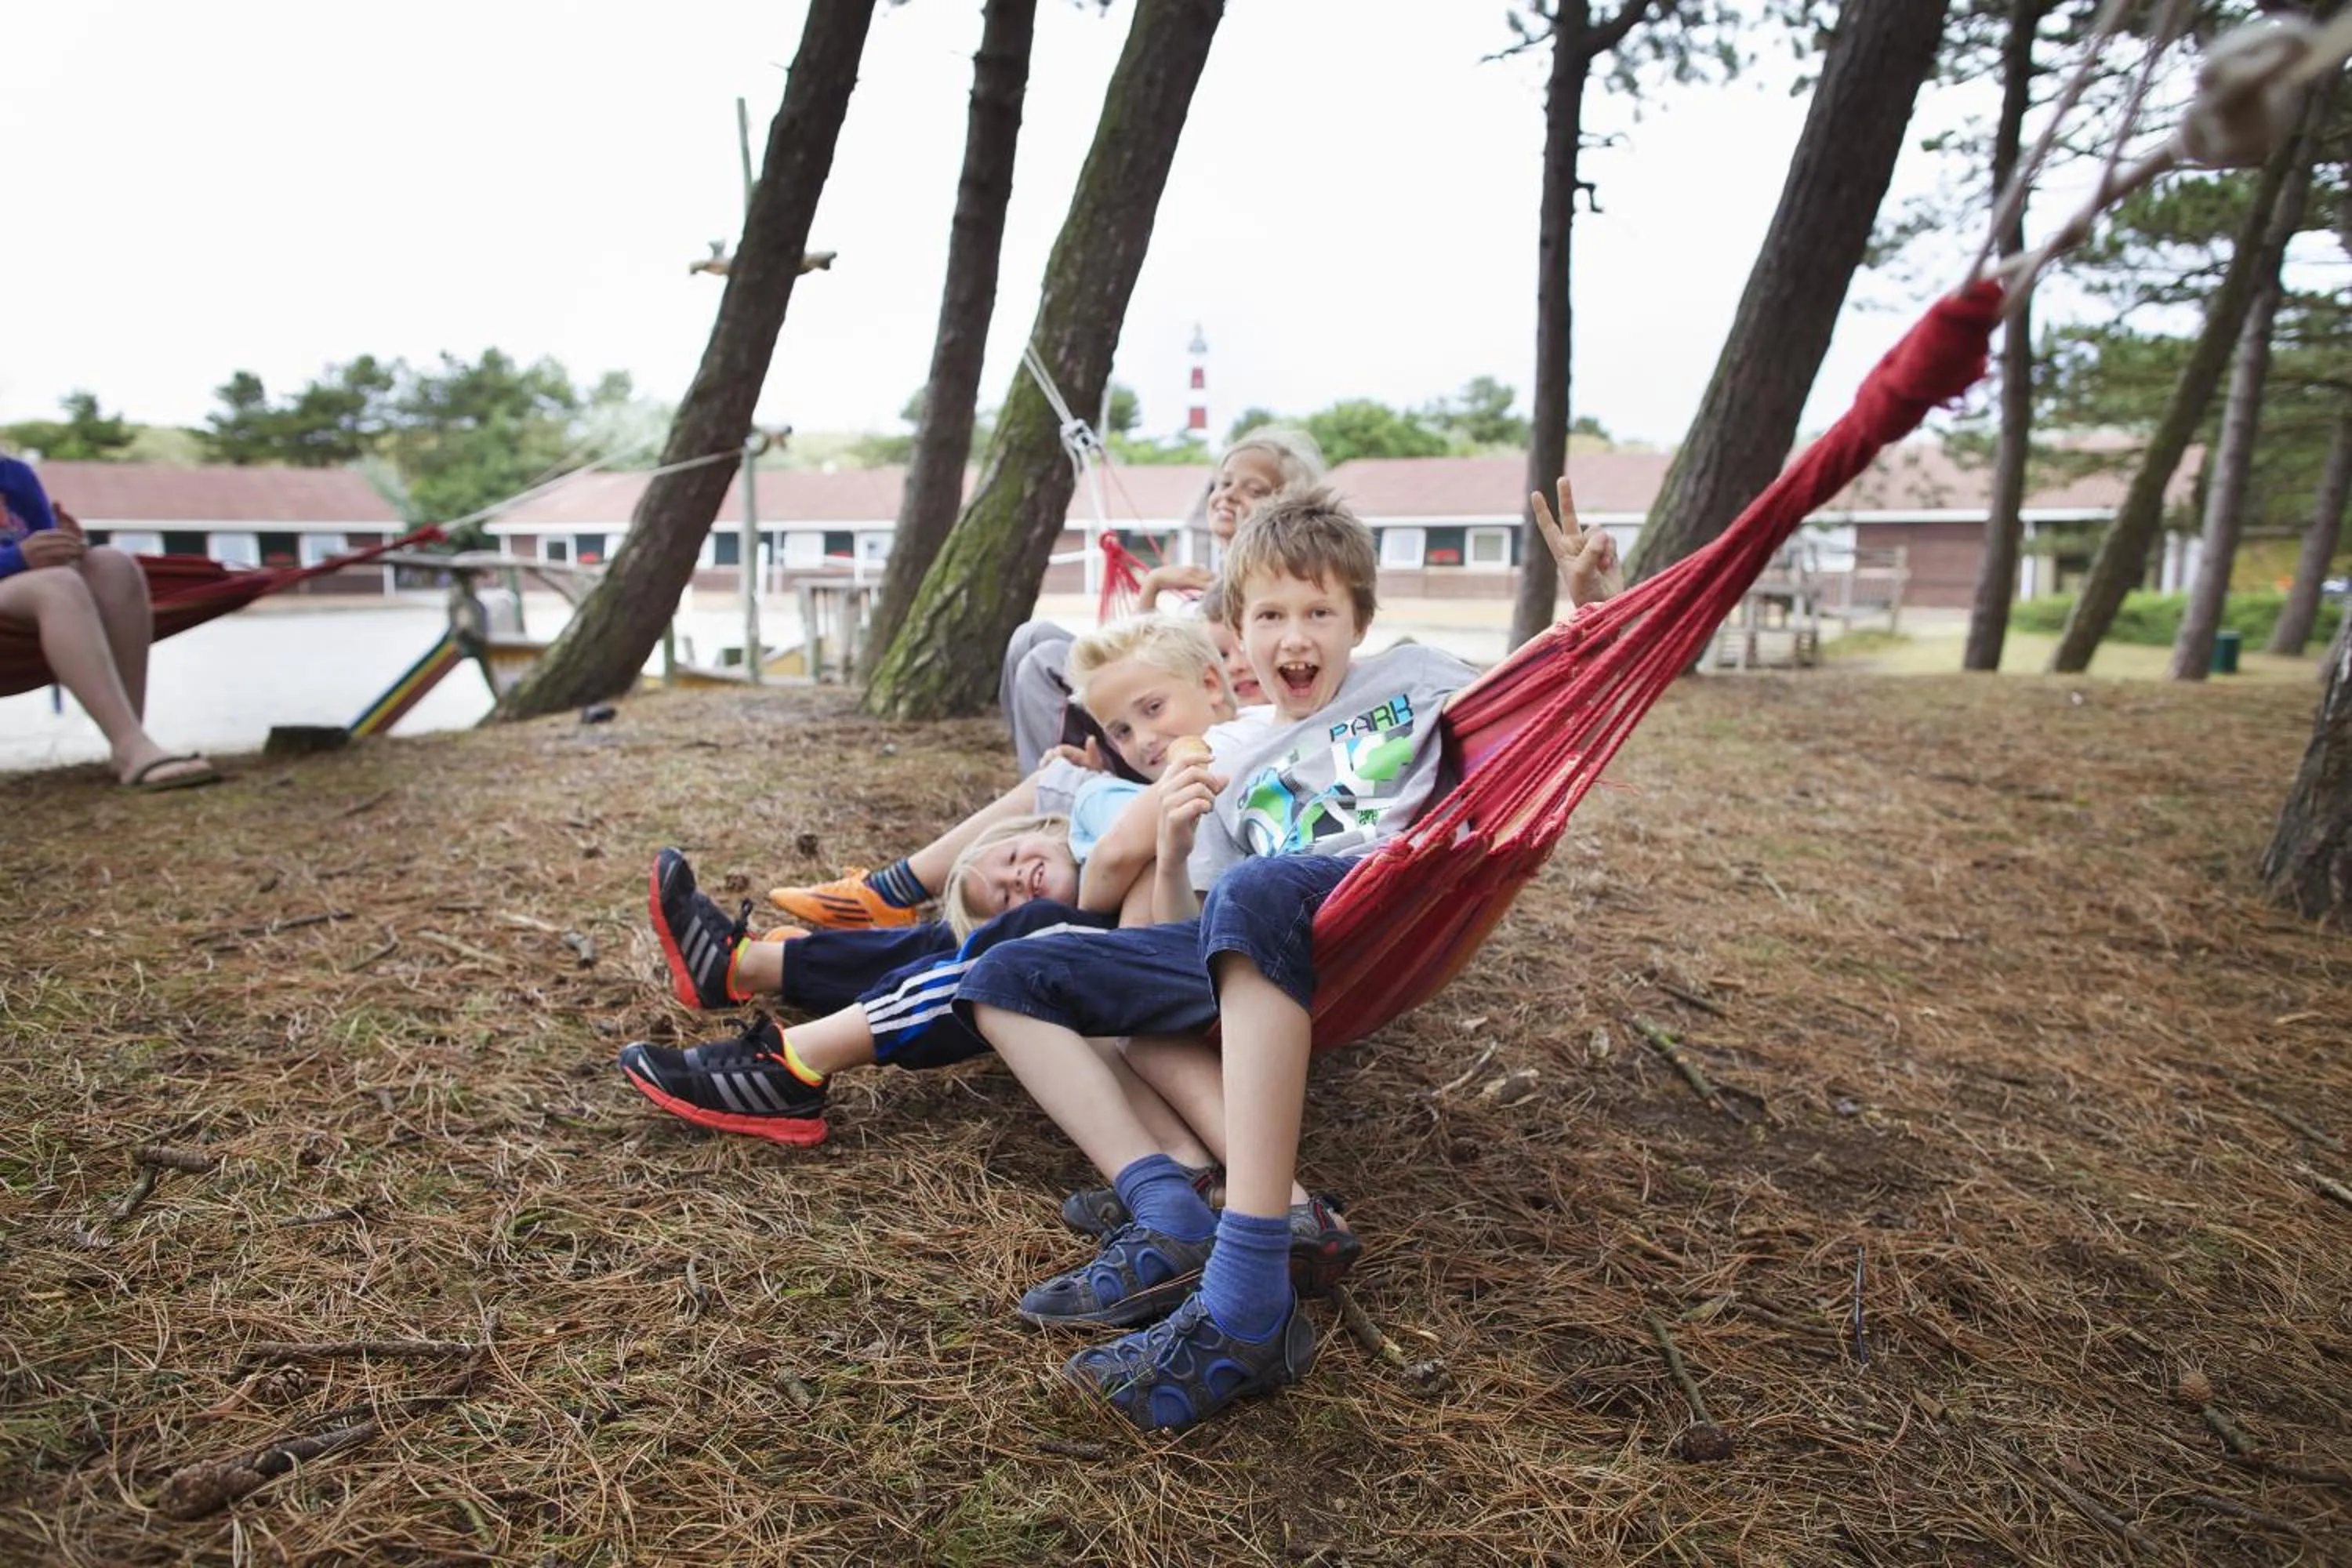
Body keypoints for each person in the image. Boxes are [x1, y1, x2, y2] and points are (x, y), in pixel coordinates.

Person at [956, 480, 1621, 1432]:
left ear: (1358, 620)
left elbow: (1546, 705)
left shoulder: (1416, 675)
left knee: (1261, 887)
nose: (1294, 635)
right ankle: (1173, 1210)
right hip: (1247, 932)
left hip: (1369, 905)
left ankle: (1248, 1290)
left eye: (1320, 610)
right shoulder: (1225, 747)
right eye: (1270, 613)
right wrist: (1178, 843)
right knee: (1002, 972)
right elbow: (1183, 932)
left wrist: (1591, 605)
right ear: (1238, 625)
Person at [995, 426, 1322, 782]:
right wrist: (1153, 587)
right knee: (1032, 637)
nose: (1229, 495)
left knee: (1042, 661)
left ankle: (1050, 790)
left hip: (1195, 740)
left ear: (1285, 504)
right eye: (1223, 484)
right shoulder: (1209, 582)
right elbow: (1143, 659)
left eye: (1253, 490)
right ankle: (1045, 773)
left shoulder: (1269, 590)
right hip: (1147, 724)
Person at [0, 457, 217, 790]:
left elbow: (43, 543)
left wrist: (63, 547)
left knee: (114, 566)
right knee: (57, 585)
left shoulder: (15, 474)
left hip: (21, 592)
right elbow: (28, 559)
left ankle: (129, 742)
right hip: (23, 590)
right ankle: (132, 745)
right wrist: (18, 558)